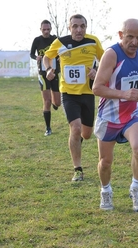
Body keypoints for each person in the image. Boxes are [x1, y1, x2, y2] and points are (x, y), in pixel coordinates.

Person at [92, 18, 138, 212]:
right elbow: (97, 88)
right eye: (130, 37)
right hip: (109, 116)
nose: (134, 42)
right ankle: (106, 190)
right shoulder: (111, 55)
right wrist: (123, 94)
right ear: (121, 35)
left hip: (132, 113)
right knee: (105, 162)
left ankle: (136, 187)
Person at [43, 14, 104, 181]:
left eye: (82, 26)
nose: (79, 30)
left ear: (86, 27)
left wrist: (96, 71)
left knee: (87, 134)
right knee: (75, 128)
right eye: (75, 26)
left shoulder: (93, 41)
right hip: (69, 94)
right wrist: (49, 69)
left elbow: (105, 61)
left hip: (88, 94)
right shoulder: (60, 42)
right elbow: (47, 57)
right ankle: (77, 169)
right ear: (70, 28)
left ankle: (76, 141)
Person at [30, 20, 61, 137]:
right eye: (44, 29)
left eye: (48, 29)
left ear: (51, 29)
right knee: (46, 101)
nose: (46, 31)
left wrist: (59, 57)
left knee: (57, 103)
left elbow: (61, 51)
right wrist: (36, 57)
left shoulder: (55, 39)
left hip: (54, 72)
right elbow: (31, 54)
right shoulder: (37, 40)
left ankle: (55, 102)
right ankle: (48, 128)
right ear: (40, 29)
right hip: (43, 73)